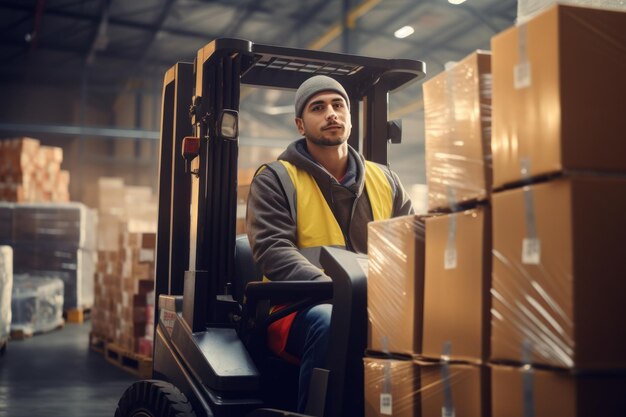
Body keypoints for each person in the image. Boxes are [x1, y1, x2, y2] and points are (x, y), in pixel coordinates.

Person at [245, 75, 414, 413]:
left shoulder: (386, 180)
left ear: (349, 117)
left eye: (338, 106)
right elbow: (273, 250)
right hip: (296, 307)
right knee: (333, 321)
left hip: (370, 302)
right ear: (300, 123)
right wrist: (335, 289)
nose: (331, 113)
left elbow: (411, 245)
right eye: (318, 107)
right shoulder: (276, 179)